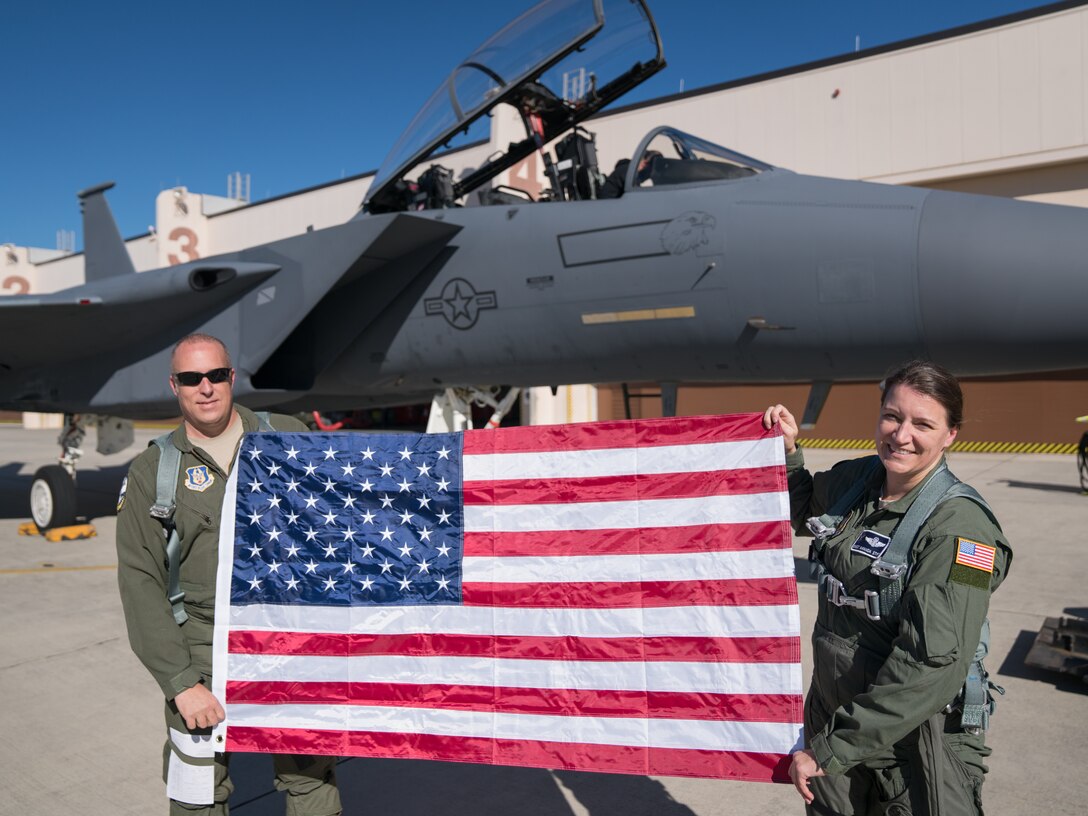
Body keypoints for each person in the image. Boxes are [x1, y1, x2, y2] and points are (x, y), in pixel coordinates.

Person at [763, 360, 1012, 815]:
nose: (901, 435)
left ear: (950, 434)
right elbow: (799, 508)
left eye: (923, 424)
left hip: (909, 738)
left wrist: (831, 748)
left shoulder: (962, 532)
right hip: (835, 719)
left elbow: (930, 665)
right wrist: (786, 450)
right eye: (893, 416)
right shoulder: (859, 482)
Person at [116, 333, 341, 816]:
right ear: (174, 386)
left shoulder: (284, 435)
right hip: (200, 646)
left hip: (286, 641)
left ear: (232, 378)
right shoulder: (154, 470)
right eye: (192, 378)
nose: (206, 388)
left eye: (216, 375)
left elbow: (339, 515)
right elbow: (140, 580)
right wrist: (180, 682)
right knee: (197, 793)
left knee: (310, 782)